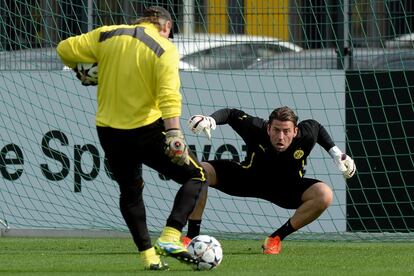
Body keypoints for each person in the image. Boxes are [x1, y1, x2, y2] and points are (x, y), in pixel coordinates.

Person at [57, 6, 207, 270]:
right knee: (196, 176)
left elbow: (64, 49)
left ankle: (149, 257)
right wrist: (174, 135)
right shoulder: (163, 47)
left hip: (109, 132)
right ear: (166, 26)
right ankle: (171, 236)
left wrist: (84, 69)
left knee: (130, 192)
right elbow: (169, 95)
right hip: (147, 131)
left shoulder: (107, 35)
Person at [184, 107, 356, 254]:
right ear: (268, 129)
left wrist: (336, 153)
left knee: (324, 195)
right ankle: (191, 239)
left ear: (295, 131)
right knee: (200, 172)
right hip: (248, 179)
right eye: (276, 130)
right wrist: (210, 119)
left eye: (286, 131)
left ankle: (275, 239)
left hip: (286, 189)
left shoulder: (306, 135)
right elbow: (230, 114)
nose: (281, 136)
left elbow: (317, 128)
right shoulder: (255, 127)